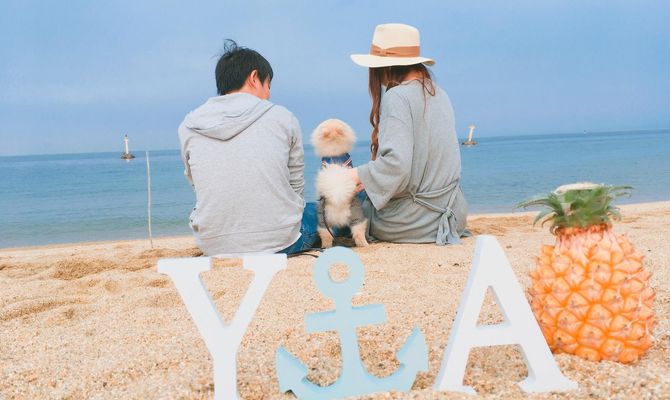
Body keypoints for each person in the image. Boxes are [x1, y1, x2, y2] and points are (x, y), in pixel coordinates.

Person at [178, 40, 318, 256]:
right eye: (268, 85)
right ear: (254, 78)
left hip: (213, 245)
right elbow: (296, 185)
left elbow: (196, 182)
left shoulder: (189, 126)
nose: (269, 94)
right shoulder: (283, 117)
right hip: (280, 243)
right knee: (319, 211)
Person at [348, 23, 469, 245]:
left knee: (325, 210)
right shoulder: (440, 94)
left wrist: (355, 175)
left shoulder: (397, 97)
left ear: (386, 66)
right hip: (452, 215)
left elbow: (397, 164)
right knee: (363, 195)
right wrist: (372, 179)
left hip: (414, 222)